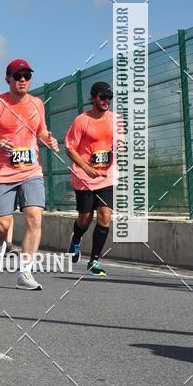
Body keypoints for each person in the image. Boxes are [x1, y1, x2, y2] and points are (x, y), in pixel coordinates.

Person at [0, 59, 59, 289]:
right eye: (18, 76)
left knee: (34, 217)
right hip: (2, 172)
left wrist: (48, 140)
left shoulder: (37, 103)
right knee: (1, 225)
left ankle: (24, 273)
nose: (23, 80)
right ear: (8, 79)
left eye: (27, 76)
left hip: (31, 170)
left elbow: (41, 131)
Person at [65, 82, 118, 277]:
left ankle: (94, 261)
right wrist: (86, 168)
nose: (106, 101)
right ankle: (76, 238)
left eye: (109, 98)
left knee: (104, 215)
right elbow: (70, 148)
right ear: (93, 98)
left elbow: (119, 143)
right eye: (102, 97)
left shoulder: (115, 120)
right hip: (84, 178)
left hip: (106, 176)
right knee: (85, 218)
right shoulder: (82, 121)